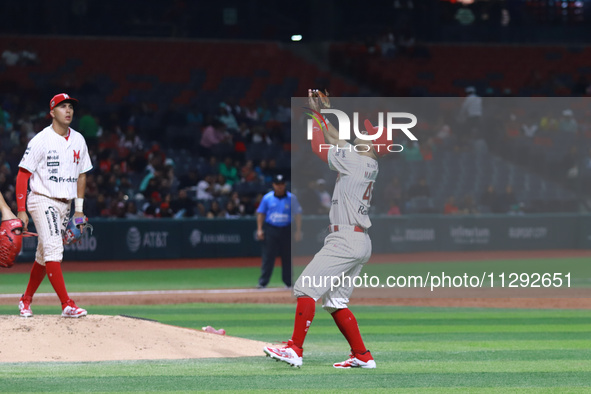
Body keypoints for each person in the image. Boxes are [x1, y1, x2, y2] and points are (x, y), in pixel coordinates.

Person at [263, 89, 379, 369]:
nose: (360, 135)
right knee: (336, 300)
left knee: (306, 288)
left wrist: (314, 113)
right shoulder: (368, 163)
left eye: (366, 134)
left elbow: (325, 142)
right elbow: (336, 139)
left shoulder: (356, 159)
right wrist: (320, 113)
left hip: (345, 237)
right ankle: (362, 355)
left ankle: (294, 349)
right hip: (360, 239)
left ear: (373, 145)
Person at [16, 93, 92, 318]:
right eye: (62, 107)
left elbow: (82, 176)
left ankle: (25, 299)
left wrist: (78, 210)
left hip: (65, 204)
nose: (68, 110)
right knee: (54, 250)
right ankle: (67, 304)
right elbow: (23, 175)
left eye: (70, 106)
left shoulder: (78, 139)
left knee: (43, 255)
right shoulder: (41, 140)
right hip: (42, 199)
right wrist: (21, 209)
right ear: (52, 113)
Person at [256, 174, 302, 289]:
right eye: (277, 184)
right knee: (268, 257)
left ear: (284, 185)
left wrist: (298, 230)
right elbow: (261, 213)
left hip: (286, 229)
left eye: (281, 184)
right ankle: (263, 282)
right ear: (273, 185)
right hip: (271, 229)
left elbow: (297, 214)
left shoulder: (292, 198)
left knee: (287, 257)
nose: (280, 187)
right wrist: (259, 229)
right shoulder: (267, 198)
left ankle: (288, 282)